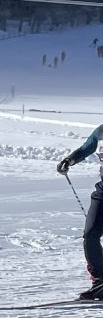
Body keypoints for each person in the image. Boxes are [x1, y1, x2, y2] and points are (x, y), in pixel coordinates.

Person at [58, 126, 103, 299]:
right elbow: (87, 148)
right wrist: (70, 160)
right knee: (90, 234)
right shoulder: (101, 131)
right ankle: (100, 283)